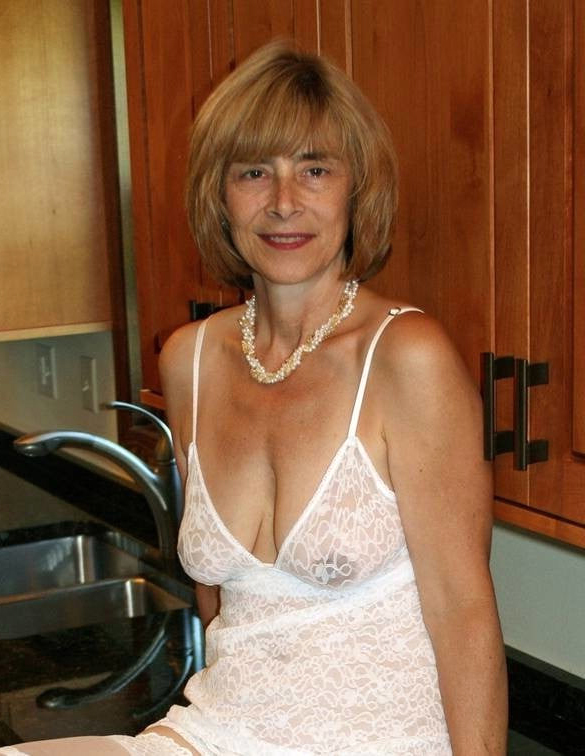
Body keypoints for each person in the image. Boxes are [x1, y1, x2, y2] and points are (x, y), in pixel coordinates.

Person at [1, 42, 507, 756]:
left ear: (356, 189)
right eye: (252, 172)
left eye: (314, 169)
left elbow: (463, 610)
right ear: (220, 195)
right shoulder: (189, 358)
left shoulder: (405, 356)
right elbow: (220, 604)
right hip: (218, 730)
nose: (283, 203)